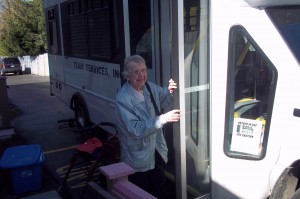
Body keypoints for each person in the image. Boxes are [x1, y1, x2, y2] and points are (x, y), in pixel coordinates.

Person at [115, 55, 180, 198]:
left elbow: (165, 99)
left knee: (158, 189)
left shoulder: (150, 87)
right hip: (138, 157)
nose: (141, 75)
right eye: (136, 72)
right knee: (142, 192)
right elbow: (135, 129)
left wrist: (171, 90)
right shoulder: (123, 98)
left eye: (143, 70)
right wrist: (163, 119)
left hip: (156, 150)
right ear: (127, 75)